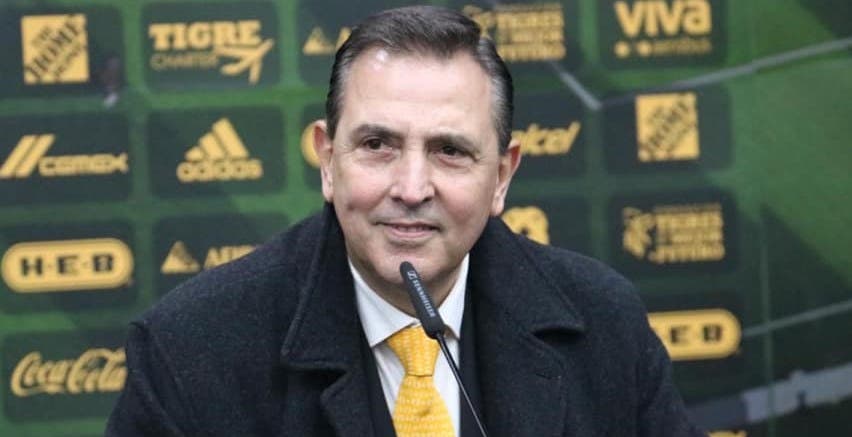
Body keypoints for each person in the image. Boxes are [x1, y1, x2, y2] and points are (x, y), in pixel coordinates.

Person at [107, 6, 705, 437]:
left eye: (450, 151)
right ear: (327, 161)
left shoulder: (604, 321)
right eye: (378, 145)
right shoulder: (190, 350)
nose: (412, 189)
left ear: (501, 176)